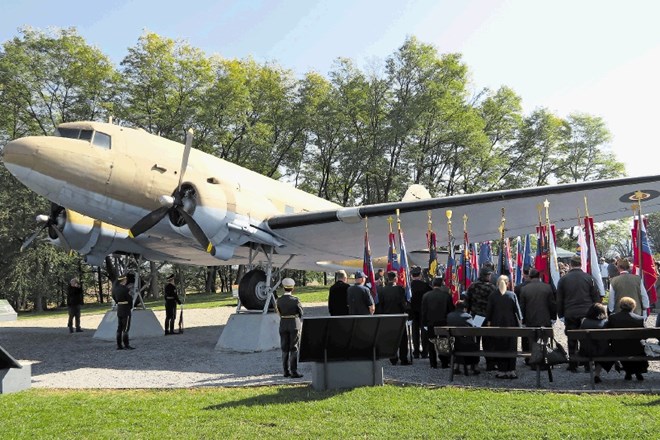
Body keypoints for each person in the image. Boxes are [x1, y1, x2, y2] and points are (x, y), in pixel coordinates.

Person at [556, 255, 600, 372]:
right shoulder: (588, 278)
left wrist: (560, 314)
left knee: (572, 339)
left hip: (570, 313)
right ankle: (587, 364)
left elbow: (559, 299)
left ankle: (573, 364)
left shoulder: (563, 279)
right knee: (586, 339)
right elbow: (595, 297)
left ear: (570, 264)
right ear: (581, 264)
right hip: (587, 313)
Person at [486, 275, 523, 379]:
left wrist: (488, 322)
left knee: (499, 347)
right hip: (511, 324)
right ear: (508, 283)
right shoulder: (512, 295)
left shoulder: (493, 295)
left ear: (497, 283)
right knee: (511, 347)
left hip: (496, 324)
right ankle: (511, 370)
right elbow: (518, 313)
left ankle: (501, 370)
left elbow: (488, 313)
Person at [607, 297, 648, 381]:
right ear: (633, 306)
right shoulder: (639, 319)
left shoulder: (613, 318)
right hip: (636, 349)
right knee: (637, 346)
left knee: (624, 346)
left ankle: (628, 372)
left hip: (617, 348)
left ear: (621, 306)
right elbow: (645, 335)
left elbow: (608, 335)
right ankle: (637, 372)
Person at [519, 269, 557, 359]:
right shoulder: (547, 287)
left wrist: (523, 321)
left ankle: (534, 360)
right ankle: (543, 359)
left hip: (530, 319)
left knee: (532, 341)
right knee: (544, 340)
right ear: (539, 276)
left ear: (530, 276)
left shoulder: (524, 289)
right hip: (545, 319)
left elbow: (522, 307)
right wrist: (553, 317)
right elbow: (552, 304)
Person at [465, 267, 498, 370]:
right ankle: (490, 364)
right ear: (487, 276)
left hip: (476, 317)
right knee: (488, 341)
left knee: (475, 341)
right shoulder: (492, 288)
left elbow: (467, 302)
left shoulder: (472, 286)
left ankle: (474, 364)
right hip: (488, 317)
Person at [421, 276, 454, 369]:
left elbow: (424, 311)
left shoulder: (426, 296)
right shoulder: (446, 295)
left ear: (432, 284)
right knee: (443, 342)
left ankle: (433, 363)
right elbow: (450, 310)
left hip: (430, 323)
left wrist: (424, 324)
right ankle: (444, 362)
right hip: (443, 322)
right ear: (442, 284)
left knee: (431, 342)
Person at [377, 271, 410, 365]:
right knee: (403, 339)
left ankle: (393, 358)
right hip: (399, 317)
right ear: (396, 278)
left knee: (391, 338)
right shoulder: (399, 289)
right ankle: (403, 359)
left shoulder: (382, 290)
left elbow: (380, 305)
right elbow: (403, 303)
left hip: (387, 317)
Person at [276, 277, 304, 378]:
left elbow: (278, 312)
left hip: (283, 323)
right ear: (292, 288)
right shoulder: (295, 300)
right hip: (294, 324)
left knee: (284, 348)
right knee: (294, 348)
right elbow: (301, 312)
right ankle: (294, 371)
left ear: (284, 288)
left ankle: (285, 371)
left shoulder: (279, 300)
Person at [579, 303, 613, 384]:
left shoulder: (584, 321)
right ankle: (597, 374)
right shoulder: (605, 322)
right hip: (602, 352)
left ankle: (595, 373)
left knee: (596, 347)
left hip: (585, 351)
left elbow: (580, 338)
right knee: (602, 348)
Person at [446, 300, 480, 376]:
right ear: (464, 308)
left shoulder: (449, 316)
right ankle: (475, 367)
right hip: (464, 345)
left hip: (452, 344)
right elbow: (473, 329)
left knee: (459, 342)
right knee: (475, 346)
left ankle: (456, 366)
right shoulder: (467, 316)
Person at [409, 266, 432, 358]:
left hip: (413, 311)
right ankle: (425, 352)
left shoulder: (409, 286)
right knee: (424, 332)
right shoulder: (426, 286)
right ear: (420, 275)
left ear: (411, 276)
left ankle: (416, 351)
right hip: (423, 311)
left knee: (414, 332)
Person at [112, 274, 135, 350]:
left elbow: (114, 298)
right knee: (125, 328)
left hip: (120, 308)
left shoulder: (115, 289)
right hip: (125, 309)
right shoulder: (125, 289)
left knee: (119, 328)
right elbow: (130, 299)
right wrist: (130, 306)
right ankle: (126, 344)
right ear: (123, 280)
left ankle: (119, 345)